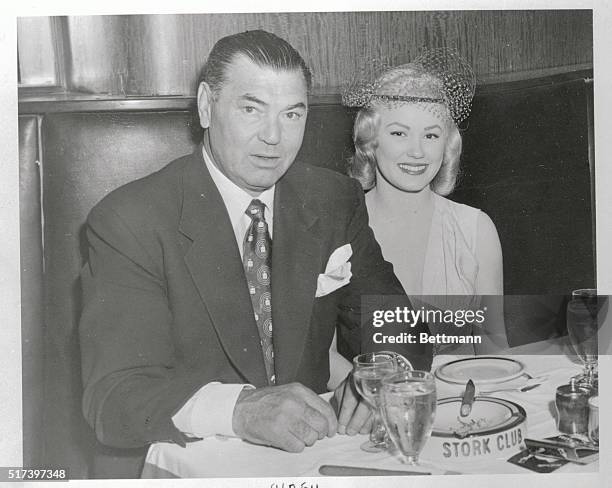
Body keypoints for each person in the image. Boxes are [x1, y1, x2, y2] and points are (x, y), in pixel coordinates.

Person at [79, 30, 430, 477]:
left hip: (313, 461)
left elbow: (396, 322)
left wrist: (381, 376)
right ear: (207, 106)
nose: (273, 138)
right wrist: (241, 410)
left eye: (292, 114)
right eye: (251, 109)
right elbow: (113, 396)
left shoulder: (332, 197)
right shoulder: (131, 220)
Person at [343, 49, 508, 353]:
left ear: (447, 145)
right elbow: (323, 360)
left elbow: (493, 349)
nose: (417, 152)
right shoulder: (339, 227)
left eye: (431, 136)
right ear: (370, 141)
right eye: (399, 133)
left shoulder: (475, 230)